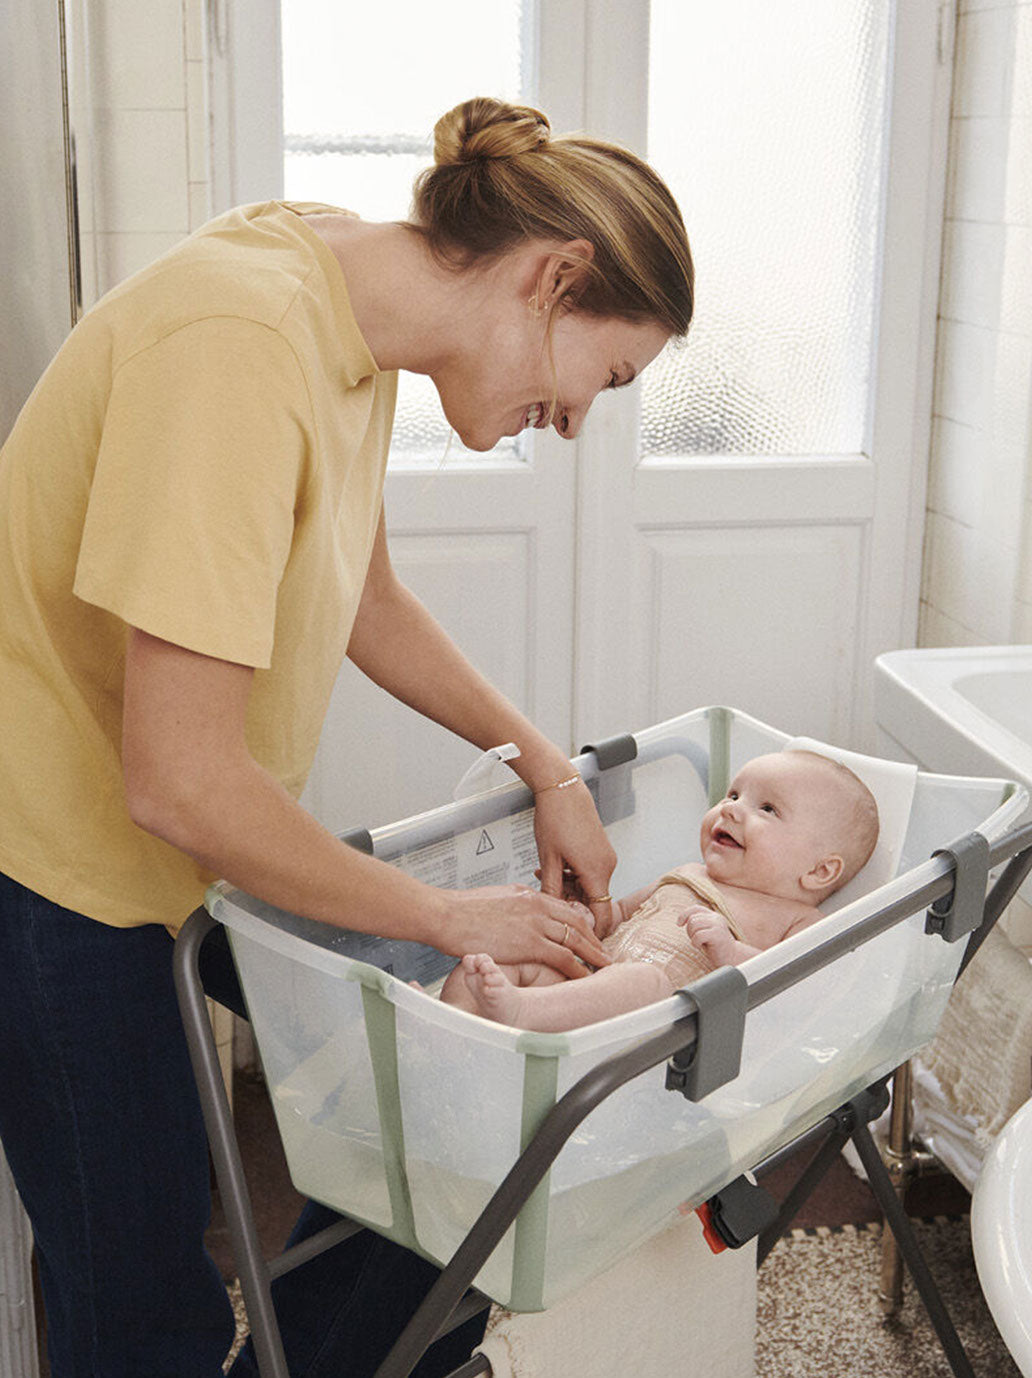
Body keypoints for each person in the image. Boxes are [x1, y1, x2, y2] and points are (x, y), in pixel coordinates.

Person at [0, 96, 693, 1377]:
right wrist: (446, 917)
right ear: (557, 276)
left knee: (449, 1102)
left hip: (179, 839)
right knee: (137, 1283)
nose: (583, 418)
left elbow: (363, 597)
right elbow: (179, 775)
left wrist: (545, 763)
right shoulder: (237, 342)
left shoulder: (343, 307)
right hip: (52, 865)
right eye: (608, 375)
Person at [442, 750, 879, 1031]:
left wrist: (732, 955)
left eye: (767, 808)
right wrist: (585, 911)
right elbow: (614, 920)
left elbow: (805, 993)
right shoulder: (688, 873)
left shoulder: (797, 919)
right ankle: (453, 1029)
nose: (730, 808)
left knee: (644, 981)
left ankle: (518, 1013)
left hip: (656, 1028)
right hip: (584, 988)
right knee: (501, 959)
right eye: (733, 794)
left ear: (820, 872)